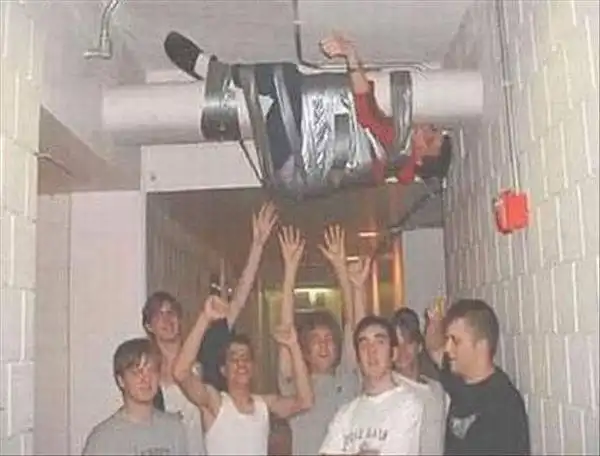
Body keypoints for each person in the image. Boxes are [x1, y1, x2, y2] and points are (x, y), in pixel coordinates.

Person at [143, 202, 278, 454]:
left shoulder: (204, 349)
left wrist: (257, 245)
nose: (166, 319)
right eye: (158, 315)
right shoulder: (147, 371)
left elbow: (238, 300)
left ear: (180, 318)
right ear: (148, 325)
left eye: (171, 312)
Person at [173, 295, 314, 455]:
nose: (241, 363)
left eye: (246, 358)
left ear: (253, 367)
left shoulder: (263, 405)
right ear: (223, 370)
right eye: (234, 359)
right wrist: (205, 318)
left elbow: (305, 402)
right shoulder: (215, 403)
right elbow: (180, 372)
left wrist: (293, 346)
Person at [277, 225, 370, 455]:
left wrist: (343, 271)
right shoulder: (295, 384)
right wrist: (290, 270)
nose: (323, 345)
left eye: (329, 338)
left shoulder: (347, 377)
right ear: (304, 350)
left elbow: (355, 327)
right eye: (315, 339)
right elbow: (286, 331)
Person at [320, 33, 450, 183]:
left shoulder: (396, 146)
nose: (426, 128)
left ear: (419, 159)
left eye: (429, 139)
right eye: (433, 129)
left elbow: (365, 107)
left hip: (313, 127)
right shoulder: (388, 170)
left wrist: (350, 55)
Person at [425, 299, 530, 455]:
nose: (448, 348)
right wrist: (434, 323)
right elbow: (434, 348)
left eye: (455, 341)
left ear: (481, 346)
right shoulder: (459, 380)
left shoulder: (503, 406)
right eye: (447, 340)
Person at [320, 315, 424, 455]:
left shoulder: (409, 405)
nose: (371, 351)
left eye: (380, 342)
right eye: (364, 345)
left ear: (393, 353)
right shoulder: (345, 414)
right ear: (358, 358)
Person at [82, 338, 188, 455]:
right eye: (136, 372)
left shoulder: (174, 428)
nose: (146, 379)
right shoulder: (103, 438)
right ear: (121, 380)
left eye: (151, 370)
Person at [391, 308, 447, 455]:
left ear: (420, 345)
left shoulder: (437, 389)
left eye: (408, 342)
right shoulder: (388, 387)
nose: (402, 351)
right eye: (396, 344)